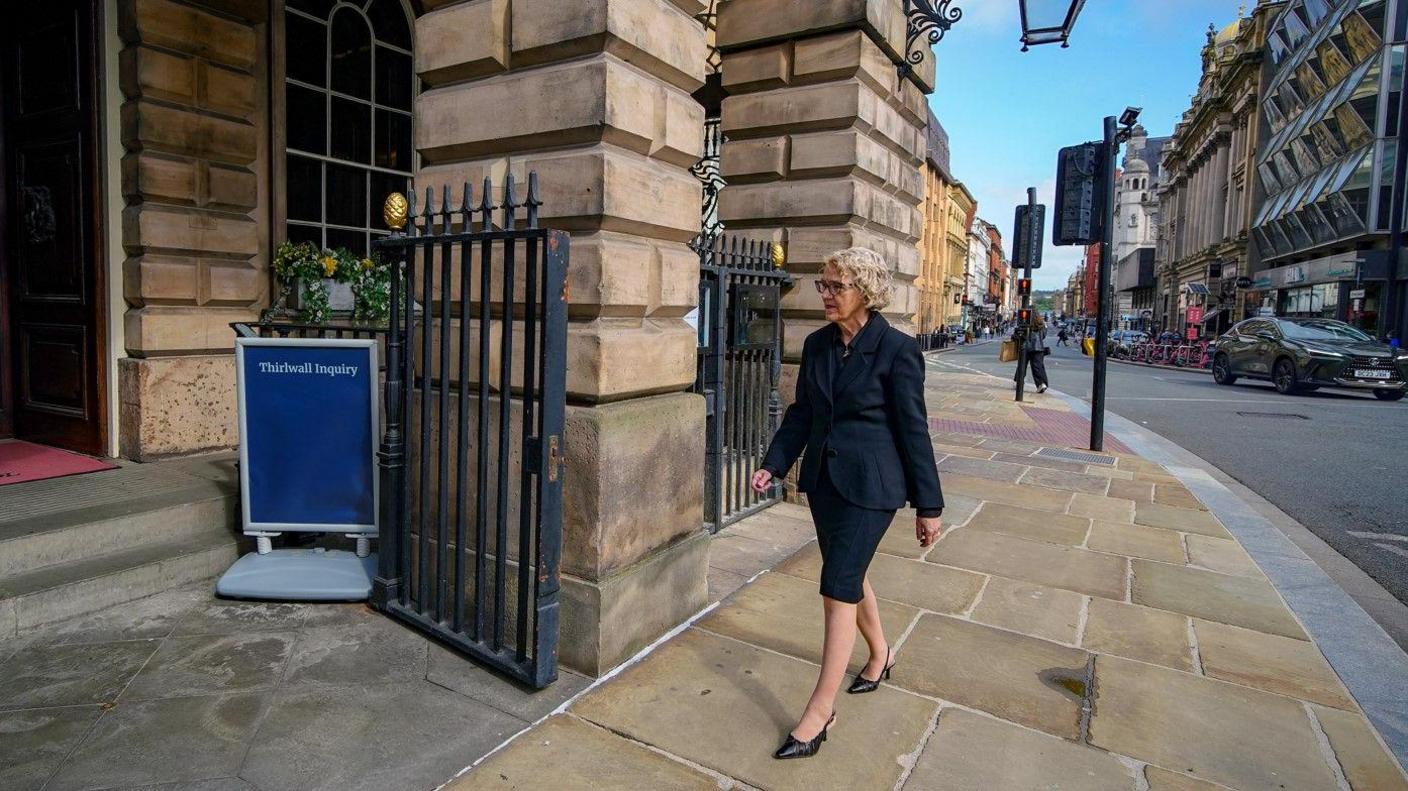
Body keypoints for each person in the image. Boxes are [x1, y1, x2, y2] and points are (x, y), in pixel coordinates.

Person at [752, 247, 943, 761]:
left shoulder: (898, 351)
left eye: (837, 285)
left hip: (873, 488)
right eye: (824, 284)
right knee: (850, 574)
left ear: (866, 289)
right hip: (826, 483)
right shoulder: (817, 345)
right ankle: (880, 653)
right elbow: (802, 413)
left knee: (837, 587)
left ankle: (819, 712)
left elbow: (914, 431)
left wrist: (929, 506)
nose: (827, 295)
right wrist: (774, 461)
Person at [1016, 316, 1050, 393]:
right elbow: (1043, 336)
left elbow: (1020, 334)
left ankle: (1019, 382)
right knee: (1038, 367)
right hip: (1039, 348)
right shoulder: (1041, 324)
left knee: (1022, 365)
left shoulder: (1025, 321)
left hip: (1026, 347)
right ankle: (1041, 384)